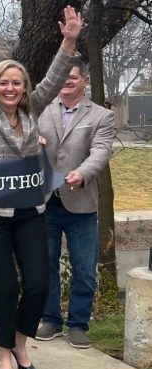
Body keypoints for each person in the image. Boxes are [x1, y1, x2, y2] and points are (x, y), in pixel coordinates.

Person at [0, 3, 81, 369]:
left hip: (29, 211)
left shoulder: (33, 112)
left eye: (17, 83)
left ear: (24, 88)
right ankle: (2, 353)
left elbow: (54, 78)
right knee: (6, 285)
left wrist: (69, 42)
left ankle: (19, 340)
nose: (11, 88)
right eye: (4, 83)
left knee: (37, 283)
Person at [35, 58, 115, 348]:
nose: (67, 81)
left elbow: (101, 153)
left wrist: (82, 174)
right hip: (44, 201)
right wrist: (36, 144)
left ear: (85, 81)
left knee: (84, 267)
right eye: (63, 77)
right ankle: (51, 320)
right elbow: (23, 139)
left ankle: (79, 324)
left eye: (73, 77)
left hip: (81, 201)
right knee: (45, 264)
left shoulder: (101, 116)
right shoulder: (41, 108)